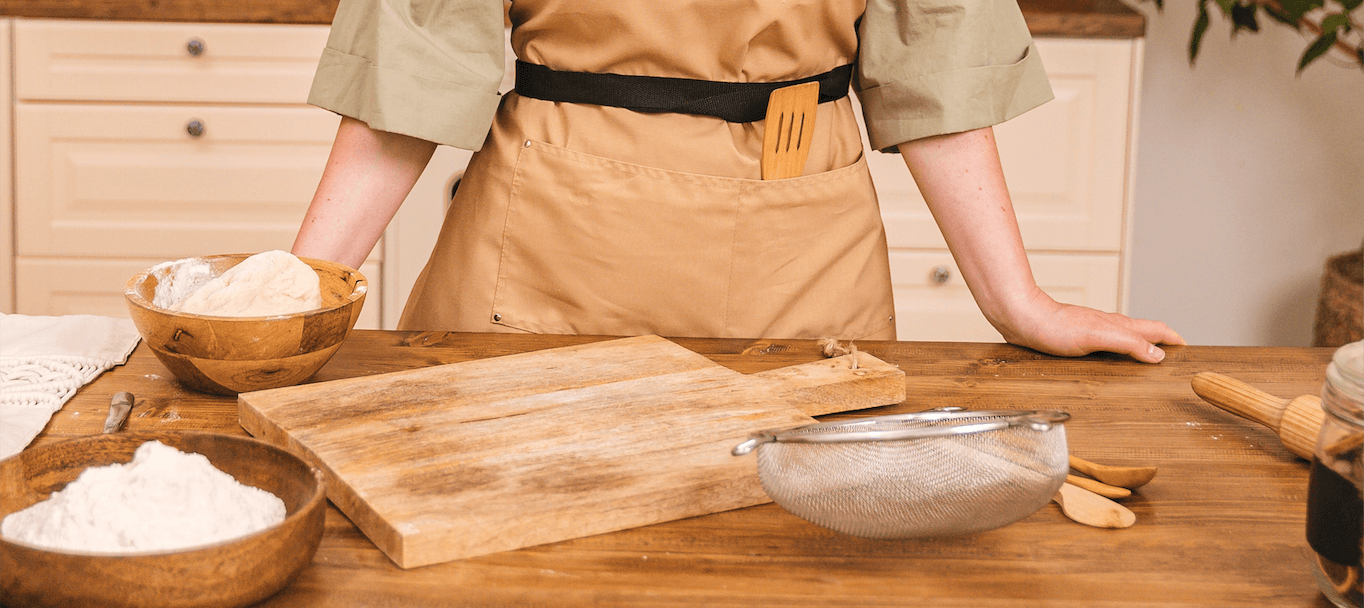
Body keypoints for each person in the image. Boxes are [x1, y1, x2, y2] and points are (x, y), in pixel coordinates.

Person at [292, 0, 1185, 362]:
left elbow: (939, 56)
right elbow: (412, 64)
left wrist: (1018, 302)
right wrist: (288, 304)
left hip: (807, 264)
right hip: (544, 257)